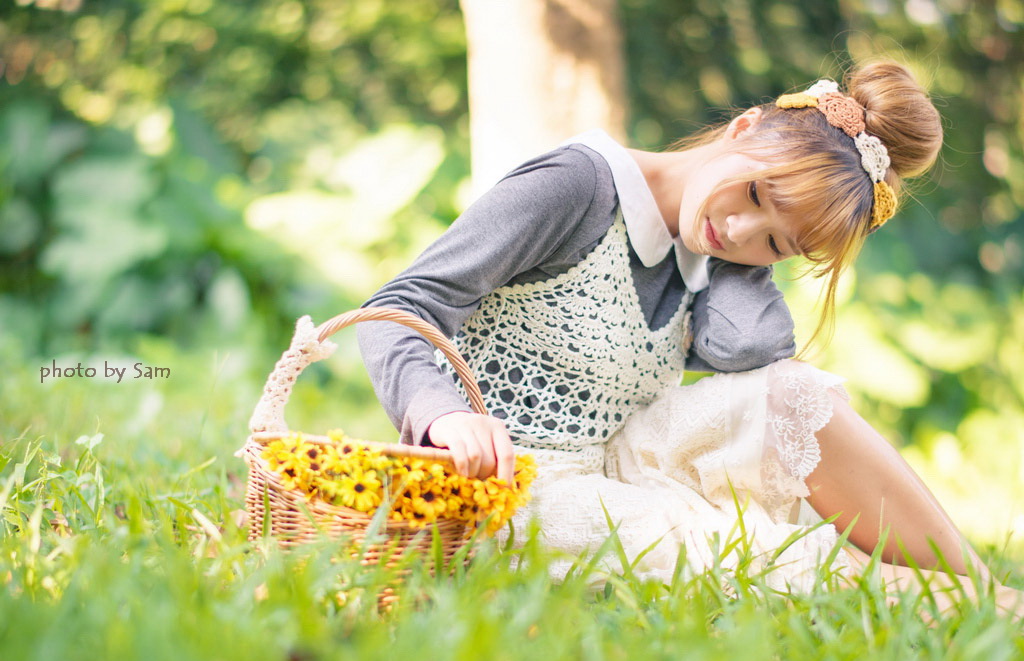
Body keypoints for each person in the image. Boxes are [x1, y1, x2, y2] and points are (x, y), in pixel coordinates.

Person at [357, 60, 1021, 612]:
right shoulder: (578, 185)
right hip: (499, 489)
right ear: (743, 126)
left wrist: (739, 258)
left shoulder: (712, 251)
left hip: (611, 459)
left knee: (795, 396)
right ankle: (966, 608)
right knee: (742, 552)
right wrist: (442, 415)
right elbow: (400, 306)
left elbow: (749, 351)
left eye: (777, 243)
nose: (739, 231)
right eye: (756, 194)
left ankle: (983, 591)